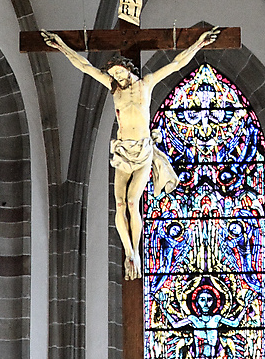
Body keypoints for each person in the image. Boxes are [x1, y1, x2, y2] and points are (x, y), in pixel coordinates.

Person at [41, 26, 220, 279]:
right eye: (113, 74)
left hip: (143, 152)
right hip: (123, 151)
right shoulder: (114, 89)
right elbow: (85, 67)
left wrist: (199, 44)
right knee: (120, 203)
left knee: (134, 202)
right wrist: (61, 46)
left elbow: (176, 64)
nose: (116, 77)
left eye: (118, 72)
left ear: (127, 68)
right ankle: (129, 252)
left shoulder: (146, 83)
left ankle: (135, 249)